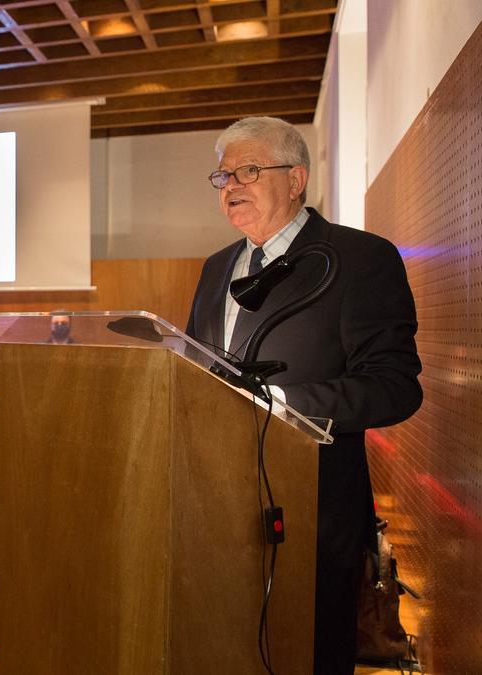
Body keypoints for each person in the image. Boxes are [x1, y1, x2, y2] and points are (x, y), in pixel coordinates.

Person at [185, 116, 422, 675]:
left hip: (317, 511)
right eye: (222, 177)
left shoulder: (360, 258)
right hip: (215, 505)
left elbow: (394, 387)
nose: (232, 186)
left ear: (296, 179)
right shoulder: (217, 267)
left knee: (308, 655)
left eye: (248, 170)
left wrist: (278, 400)